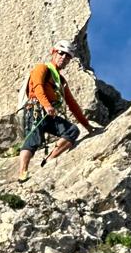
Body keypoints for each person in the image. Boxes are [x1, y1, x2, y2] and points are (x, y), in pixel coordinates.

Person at [17, 41, 93, 181]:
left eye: (68, 56)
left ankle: (49, 161)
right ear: (53, 52)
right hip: (35, 109)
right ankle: (22, 172)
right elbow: (38, 87)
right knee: (33, 140)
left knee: (72, 130)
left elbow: (72, 104)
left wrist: (87, 126)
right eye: (61, 53)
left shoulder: (61, 81)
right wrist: (46, 105)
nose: (64, 57)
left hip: (48, 113)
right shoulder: (42, 68)